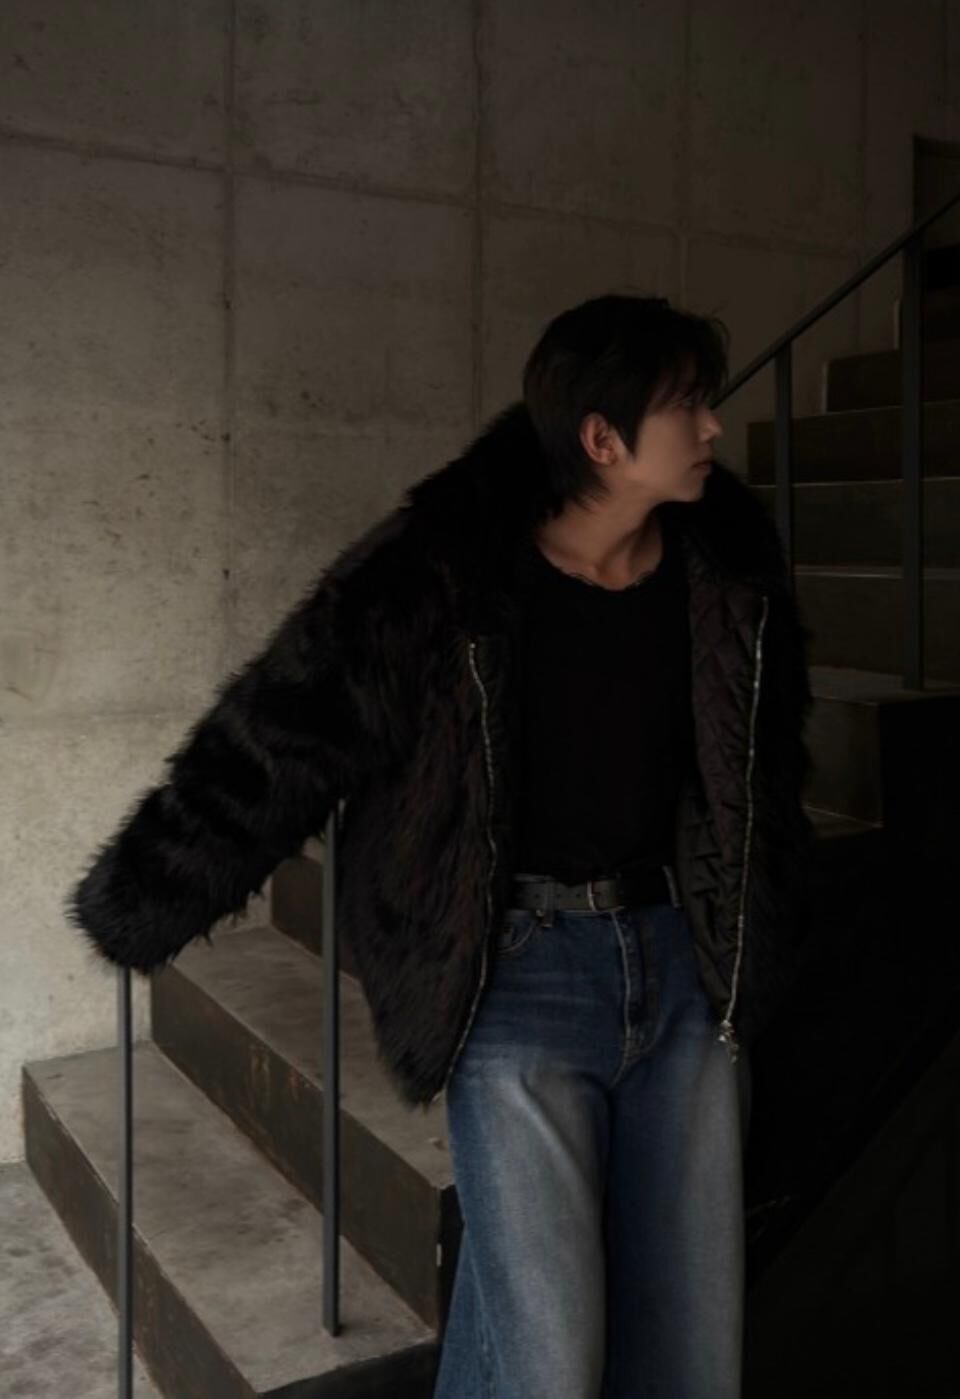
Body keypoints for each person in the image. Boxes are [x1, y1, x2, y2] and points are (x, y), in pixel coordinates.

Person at [67, 292, 818, 1397]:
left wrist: (757, 922)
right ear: (603, 439)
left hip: (682, 968)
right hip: (516, 977)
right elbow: (285, 730)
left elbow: (762, 777)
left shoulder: (728, 572)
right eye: (687, 406)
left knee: (689, 1346)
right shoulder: (445, 571)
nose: (713, 427)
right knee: (551, 1355)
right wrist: (150, 893)